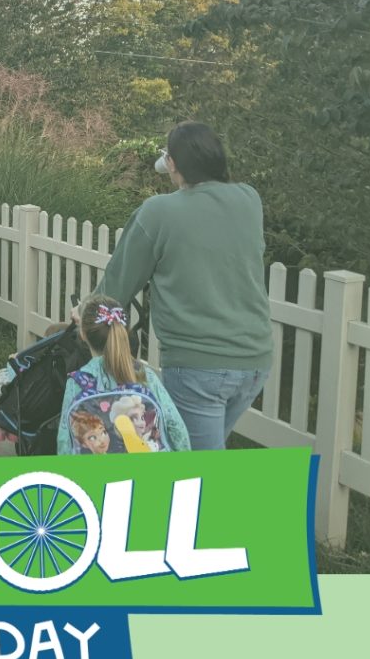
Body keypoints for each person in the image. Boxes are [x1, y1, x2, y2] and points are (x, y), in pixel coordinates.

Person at [92, 121, 273, 450]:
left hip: (199, 366)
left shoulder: (159, 211)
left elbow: (117, 283)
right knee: (206, 452)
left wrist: (88, 315)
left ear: (172, 164)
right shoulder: (249, 199)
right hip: (255, 362)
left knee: (195, 472)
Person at [57, 295, 190, 455]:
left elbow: (65, 440)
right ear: (122, 332)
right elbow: (176, 427)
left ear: (83, 334)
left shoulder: (78, 381)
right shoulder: (144, 375)